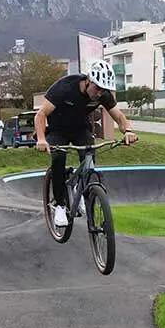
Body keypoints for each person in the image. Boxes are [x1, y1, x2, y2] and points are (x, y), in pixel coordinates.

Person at [35, 60, 138, 227]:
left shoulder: (102, 94)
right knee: (59, 158)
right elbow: (40, 114)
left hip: (80, 128)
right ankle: (60, 205)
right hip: (57, 129)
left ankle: (80, 187)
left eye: (103, 90)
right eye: (97, 88)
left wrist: (128, 131)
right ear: (88, 80)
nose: (99, 93)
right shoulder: (65, 87)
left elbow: (118, 116)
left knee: (89, 155)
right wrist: (41, 139)